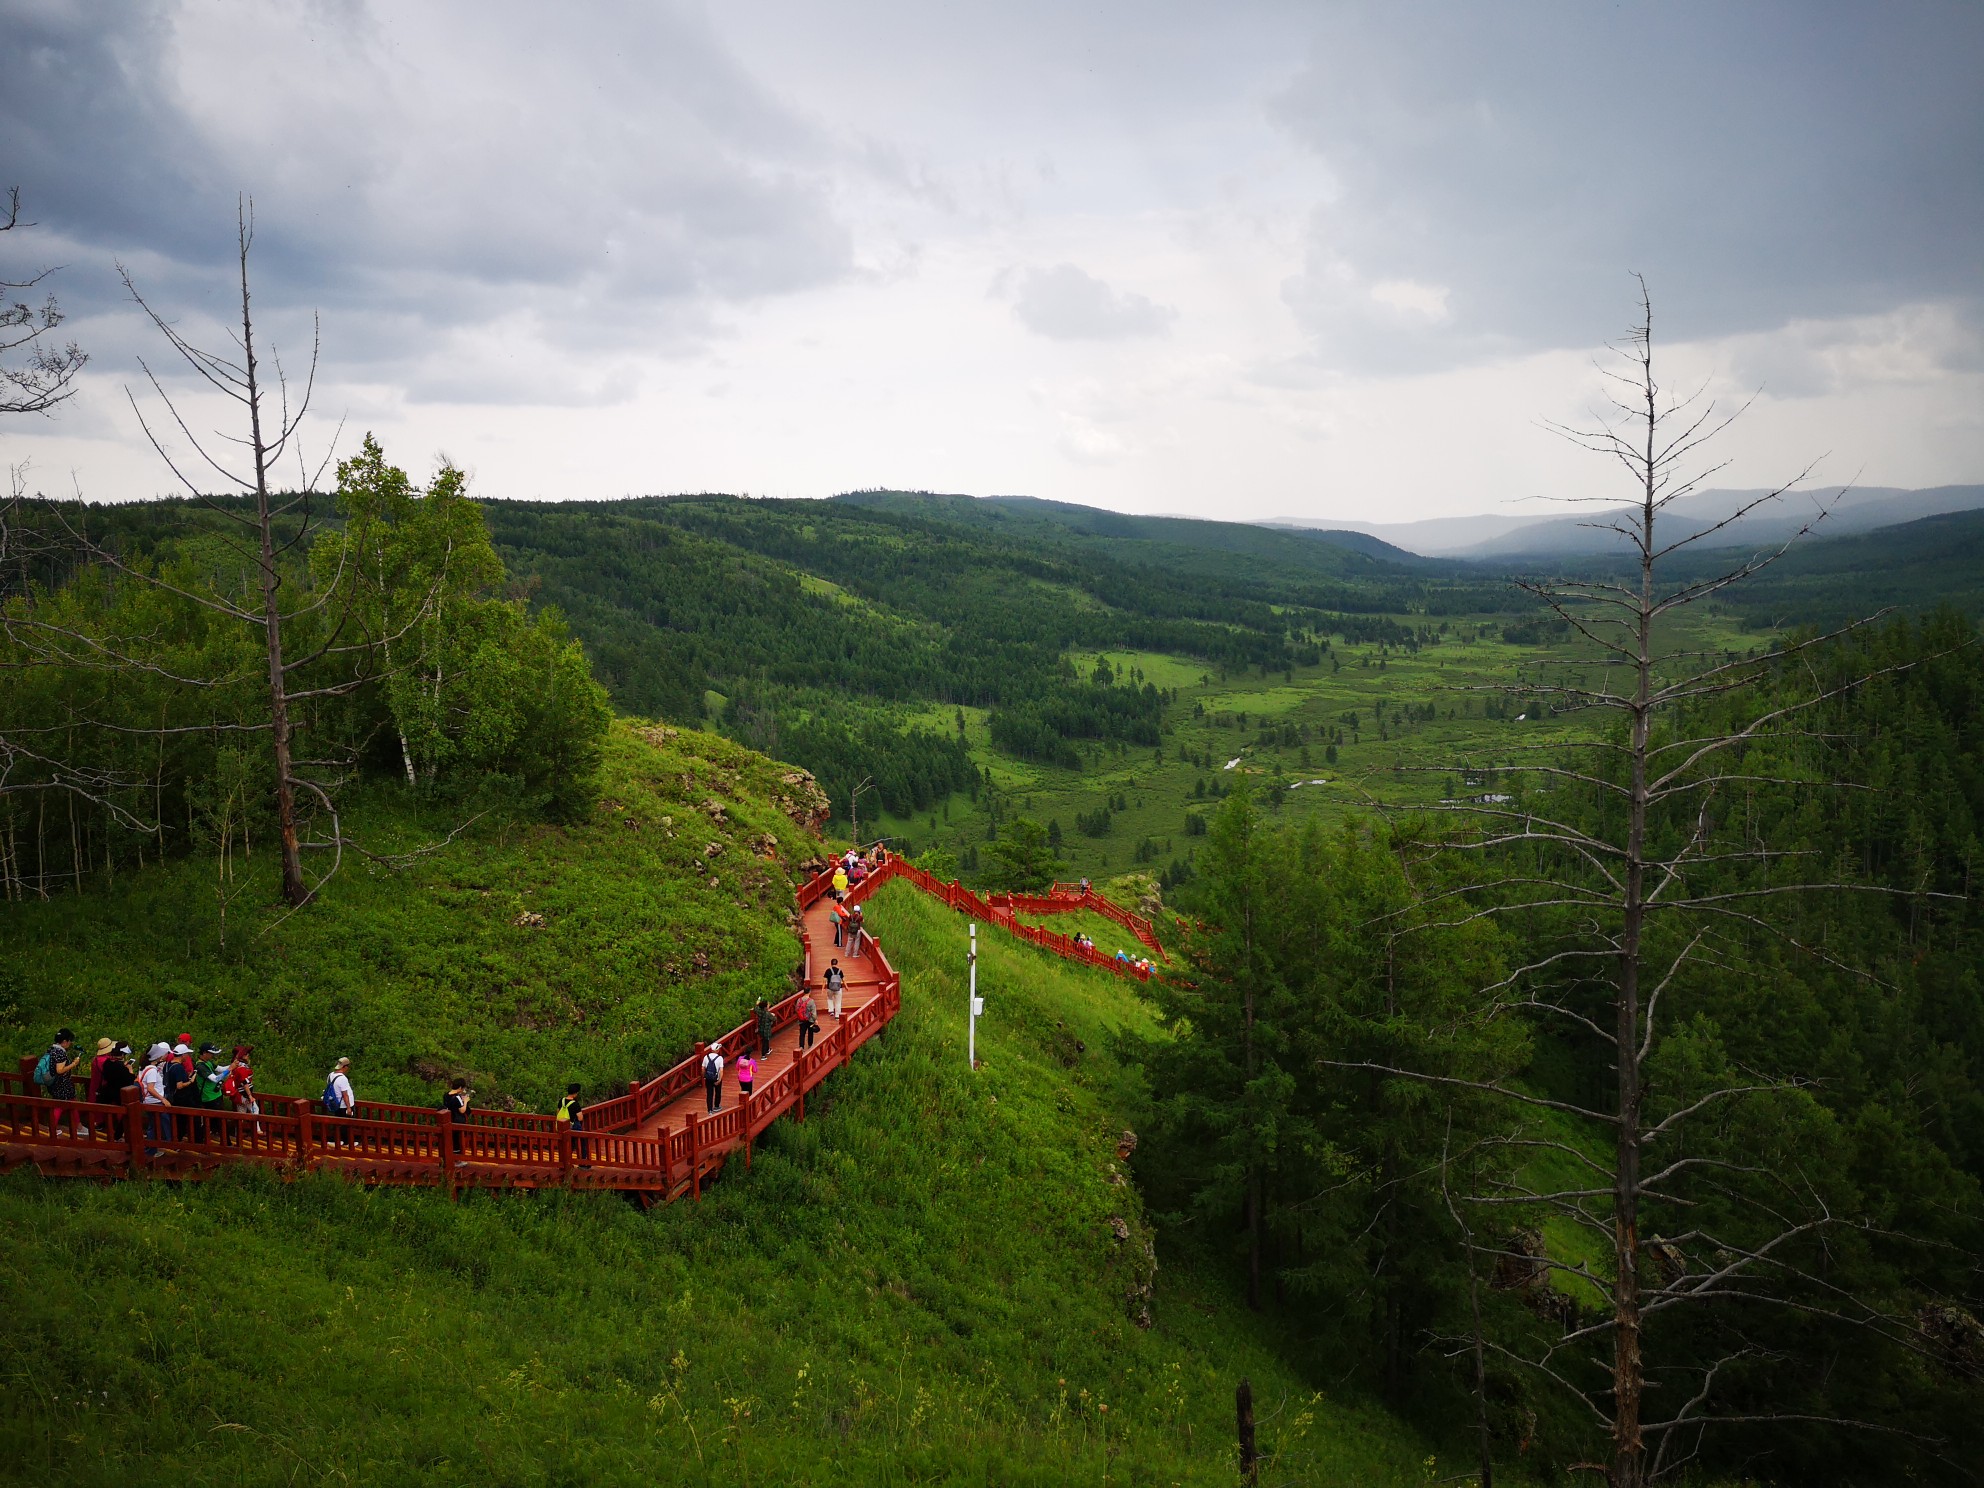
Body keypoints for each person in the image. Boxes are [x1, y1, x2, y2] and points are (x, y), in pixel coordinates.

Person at [139, 1043, 172, 1155]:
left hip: (148, 1101)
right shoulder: (152, 1070)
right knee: (155, 1126)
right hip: (155, 1102)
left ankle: (151, 1149)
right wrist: (163, 1100)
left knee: (153, 1125)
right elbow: (151, 1088)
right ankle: (151, 1150)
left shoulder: (143, 1068)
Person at [35, 1029, 80, 1102]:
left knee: (67, 1104)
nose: (70, 1043)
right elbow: (59, 1070)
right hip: (62, 1086)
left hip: (54, 1084)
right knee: (64, 1105)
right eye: (69, 1041)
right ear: (65, 1041)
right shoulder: (60, 1053)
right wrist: (73, 1064)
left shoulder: (52, 1049)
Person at [322, 1057, 355, 1147]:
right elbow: (345, 1095)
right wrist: (348, 1108)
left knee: (338, 1122)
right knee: (345, 1124)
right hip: (344, 1105)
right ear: (345, 1067)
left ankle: (341, 1140)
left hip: (336, 1104)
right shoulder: (342, 1079)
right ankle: (343, 1141)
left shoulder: (331, 1075)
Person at [441, 1077, 471, 1155]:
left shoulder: (446, 1095)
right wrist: (465, 1101)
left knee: (450, 1140)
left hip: (448, 1120)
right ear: (460, 1087)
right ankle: (457, 1159)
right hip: (456, 1121)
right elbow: (462, 1110)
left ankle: (448, 1157)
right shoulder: (457, 1097)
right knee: (457, 1141)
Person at [701, 1042, 725, 1112]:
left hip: (708, 1078)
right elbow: (721, 1070)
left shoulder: (706, 1057)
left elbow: (703, 1068)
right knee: (718, 1092)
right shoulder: (720, 1058)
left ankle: (710, 1110)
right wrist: (719, 1079)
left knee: (709, 1093)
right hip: (716, 1077)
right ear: (717, 1050)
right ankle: (716, 1106)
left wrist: (704, 1076)